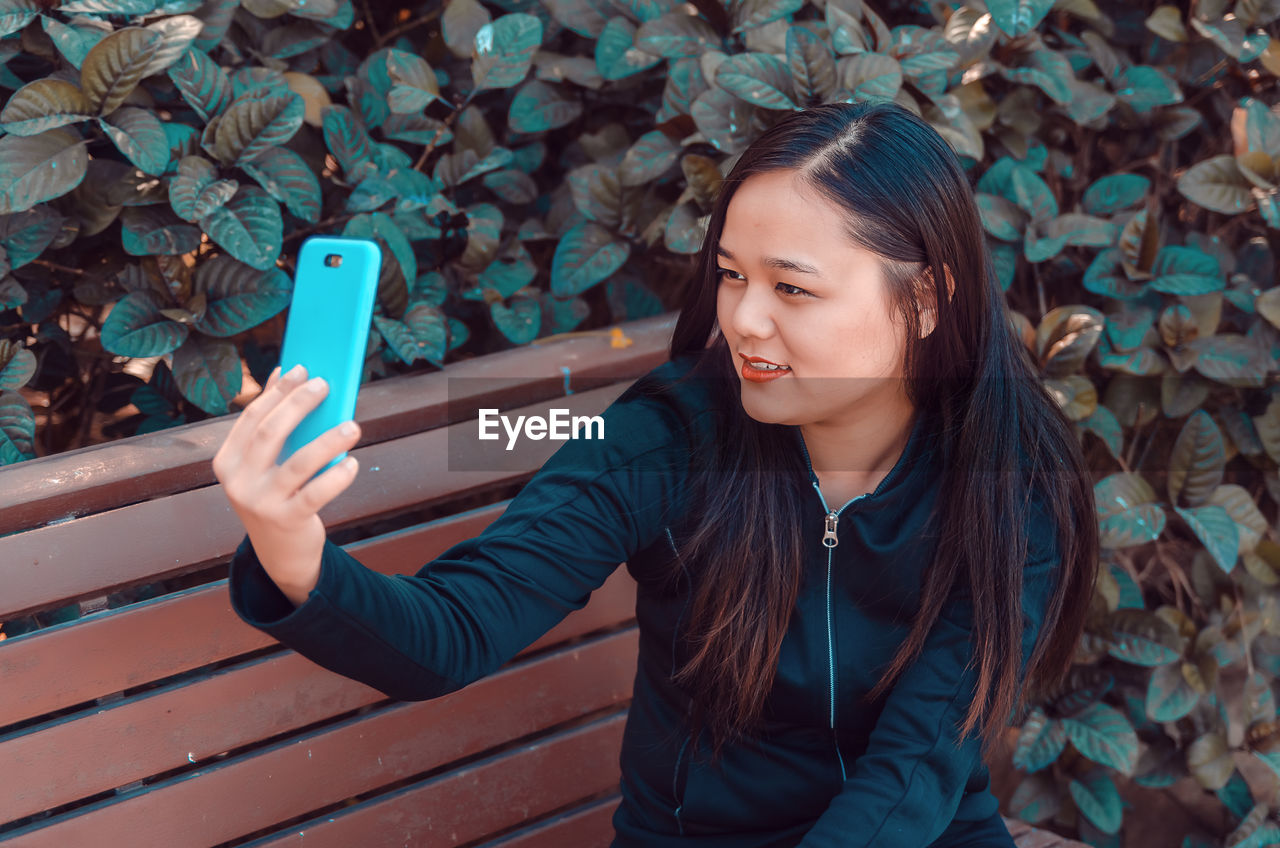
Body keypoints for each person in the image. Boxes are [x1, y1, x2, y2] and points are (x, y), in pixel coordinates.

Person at [212, 99, 1099, 847]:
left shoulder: (1007, 474)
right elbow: (451, 631)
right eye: (730, 276)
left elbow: (918, 770)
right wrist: (295, 557)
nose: (746, 320)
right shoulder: (667, 440)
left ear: (927, 298)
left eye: (792, 289)